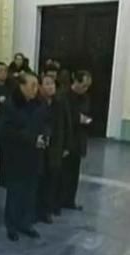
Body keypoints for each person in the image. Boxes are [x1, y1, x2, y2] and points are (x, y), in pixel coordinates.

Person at [0, 72, 49, 242]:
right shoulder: (10, 105)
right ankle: (11, 225)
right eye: (32, 85)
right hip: (16, 156)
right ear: (21, 86)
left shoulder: (40, 104)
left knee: (30, 192)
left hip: (35, 156)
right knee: (16, 193)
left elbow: (46, 124)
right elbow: (5, 131)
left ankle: (25, 223)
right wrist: (31, 138)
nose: (36, 89)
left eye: (37, 85)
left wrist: (45, 136)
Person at [37, 74, 71, 223]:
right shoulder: (37, 102)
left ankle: (47, 209)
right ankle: (36, 209)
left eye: (52, 84)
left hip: (56, 147)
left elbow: (67, 125)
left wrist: (67, 145)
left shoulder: (61, 103)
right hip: (40, 146)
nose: (50, 87)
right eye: (47, 84)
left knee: (52, 179)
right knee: (39, 179)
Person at [59, 70, 93, 211]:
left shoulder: (85, 98)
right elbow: (62, 118)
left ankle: (69, 200)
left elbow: (89, 114)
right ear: (76, 82)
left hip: (79, 139)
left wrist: (87, 120)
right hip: (67, 138)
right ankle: (58, 200)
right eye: (84, 85)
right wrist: (77, 119)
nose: (85, 89)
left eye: (88, 86)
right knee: (62, 173)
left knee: (74, 173)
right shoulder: (64, 96)